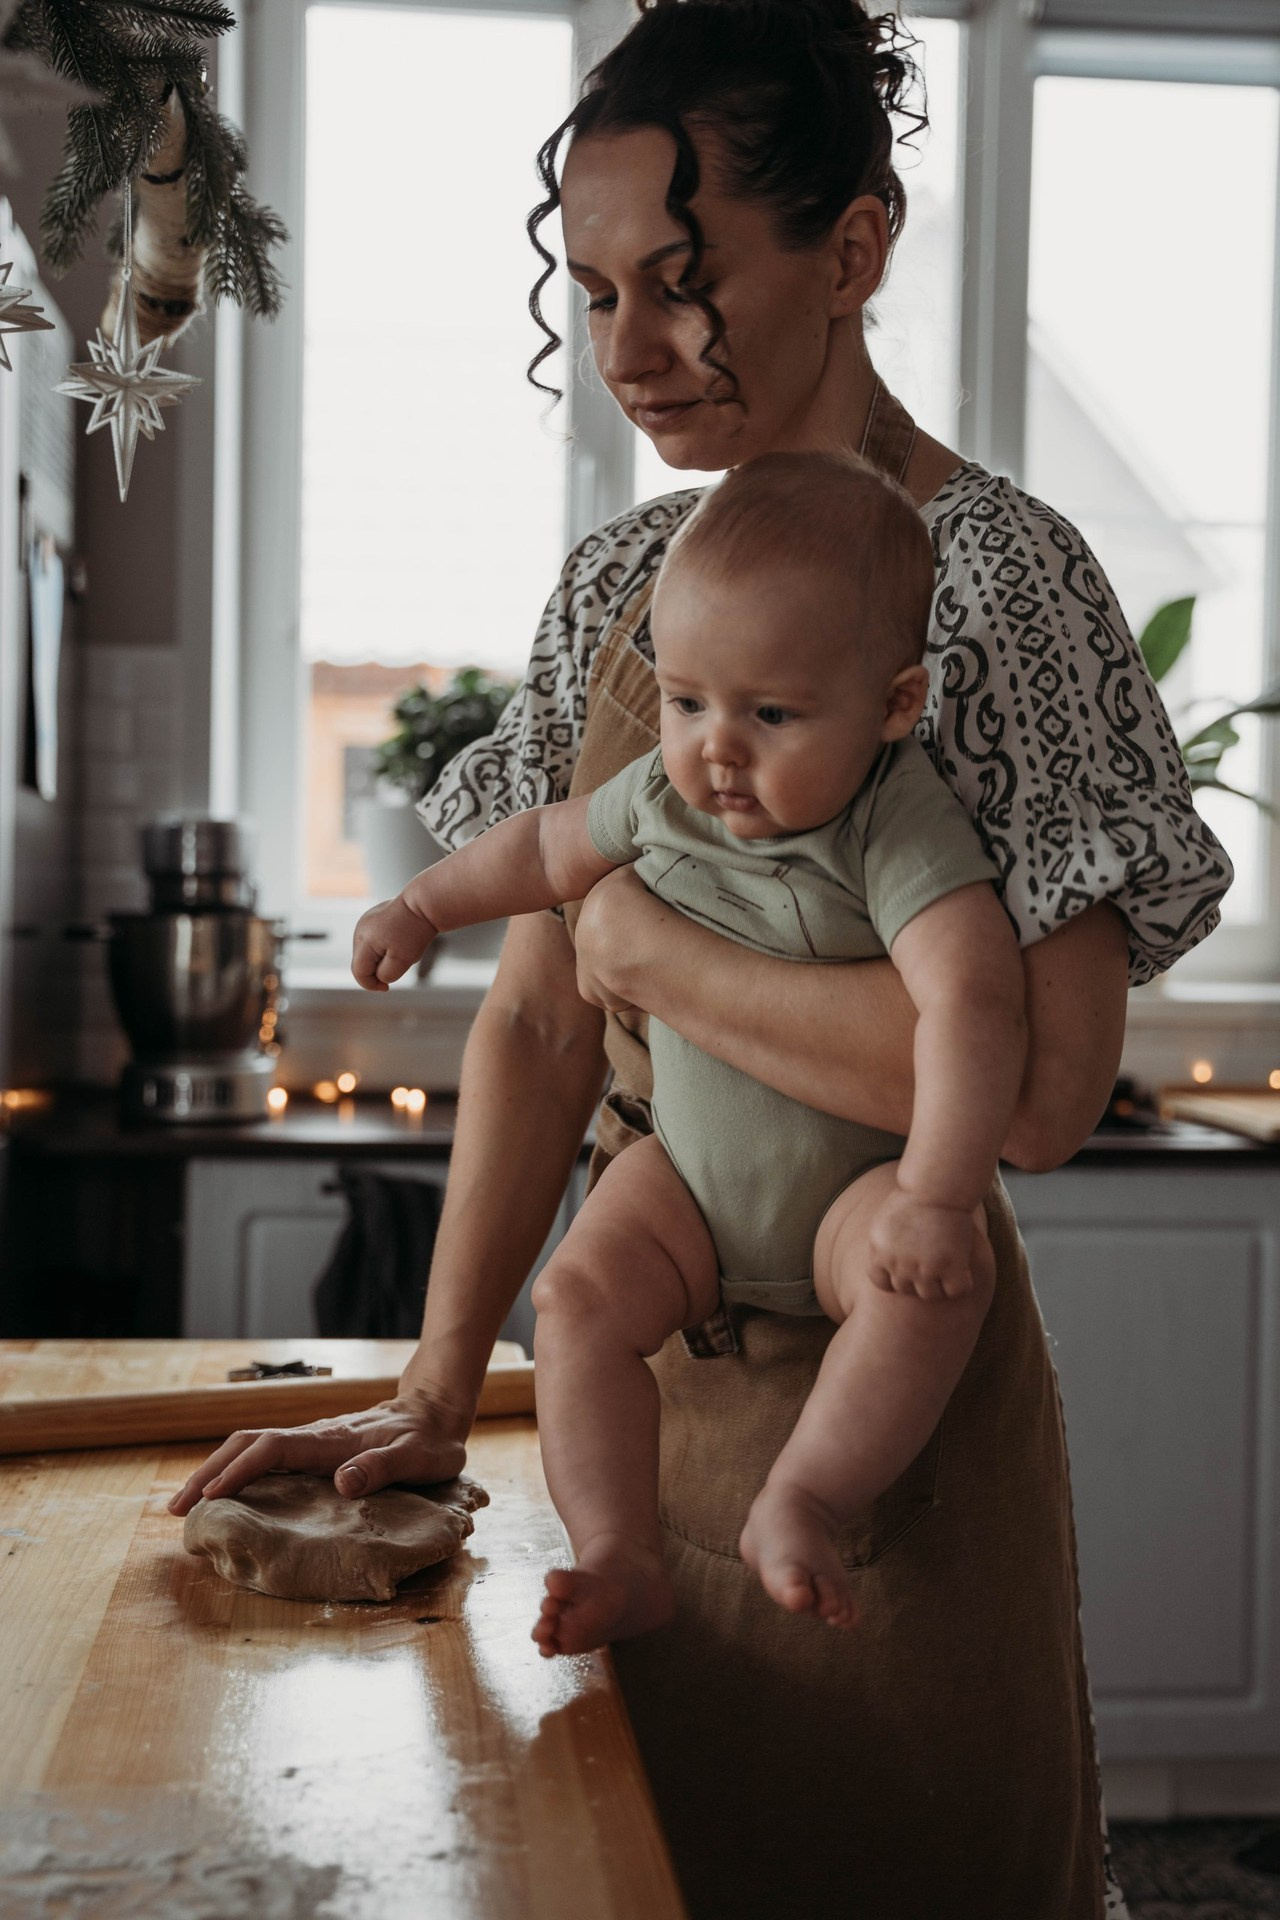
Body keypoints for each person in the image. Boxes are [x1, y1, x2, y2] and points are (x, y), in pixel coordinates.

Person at [171, 2, 1232, 1911]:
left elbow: (1050, 1090)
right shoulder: (618, 586)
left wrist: (652, 950)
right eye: (592, 294)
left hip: (892, 1439)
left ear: (854, 249)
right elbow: (533, 1018)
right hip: (641, 1434)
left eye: (684, 280)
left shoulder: (996, 583)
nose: (630, 351)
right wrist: (435, 1384)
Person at [351, 451, 1026, 1653]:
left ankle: (804, 1496)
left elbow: (973, 1005)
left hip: (848, 1195)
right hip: (690, 1185)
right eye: (686, 702)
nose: (718, 748)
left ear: (892, 705)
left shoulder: (892, 819)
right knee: (574, 1296)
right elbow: (541, 851)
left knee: (934, 1280)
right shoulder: (665, 797)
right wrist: (417, 908)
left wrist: (935, 1193)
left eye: (770, 713)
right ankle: (618, 1551)